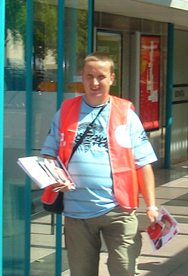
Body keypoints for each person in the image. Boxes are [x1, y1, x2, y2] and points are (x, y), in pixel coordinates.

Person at [41, 52, 159, 276]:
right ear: (82, 78)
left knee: (123, 270)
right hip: (77, 213)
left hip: (119, 209)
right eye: (89, 76)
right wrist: (57, 179)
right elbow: (49, 155)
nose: (94, 83)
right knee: (81, 272)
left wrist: (151, 206)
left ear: (111, 79)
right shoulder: (66, 111)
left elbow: (143, 163)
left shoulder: (126, 114)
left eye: (101, 77)